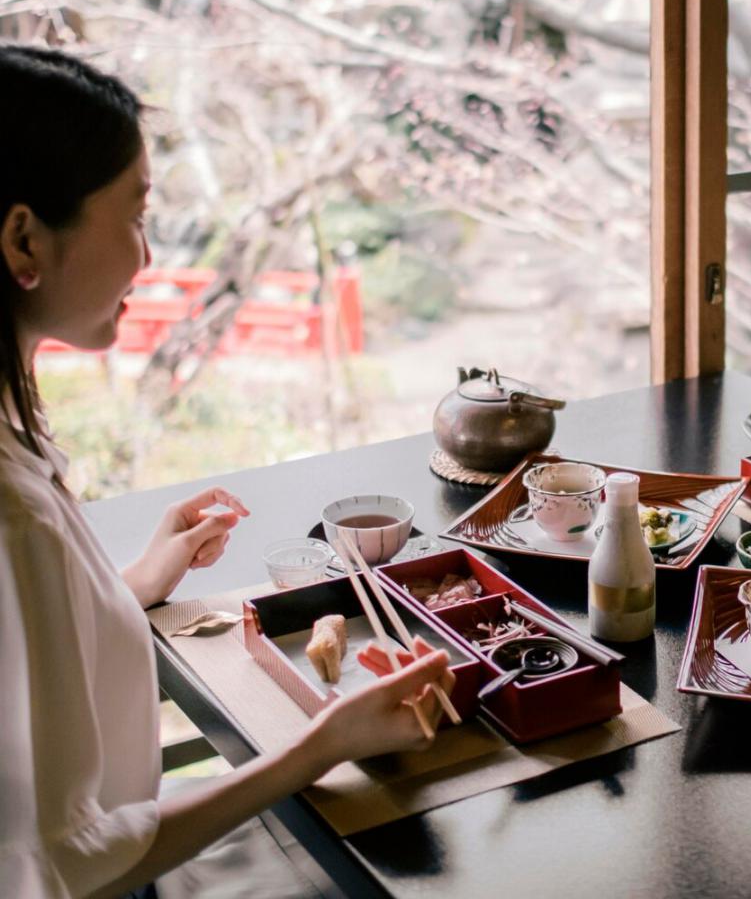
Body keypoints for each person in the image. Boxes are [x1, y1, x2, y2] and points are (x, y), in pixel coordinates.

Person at [0, 45, 454, 898]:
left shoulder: (13, 435)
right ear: (24, 237)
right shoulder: (12, 510)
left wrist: (133, 582)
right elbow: (68, 860)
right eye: (135, 215)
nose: (145, 255)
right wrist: (323, 745)